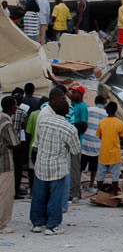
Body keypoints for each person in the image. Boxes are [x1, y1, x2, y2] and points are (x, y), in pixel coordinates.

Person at [30, 87, 80, 235]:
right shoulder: (69, 128)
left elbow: (37, 140)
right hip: (58, 166)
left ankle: (37, 223)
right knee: (55, 197)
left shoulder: (44, 121)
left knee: (38, 195)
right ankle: (52, 225)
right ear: (66, 112)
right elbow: (76, 150)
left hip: (42, 163)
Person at [95, 102, 123, 195]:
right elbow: (122, 136)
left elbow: (99, 136)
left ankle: (100, 192)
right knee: (115, 175)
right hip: (115, 153)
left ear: (106, 110)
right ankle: (115, 193)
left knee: (100, 175)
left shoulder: (101, 122)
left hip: (103, 153)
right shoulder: (120, 123)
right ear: (116, 110)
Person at [0, 96, 20, 234]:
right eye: (15, 105)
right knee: (5, 195)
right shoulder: (6, 123)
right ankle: (3, 224)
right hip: (5, 162)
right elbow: (15, 143)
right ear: (10, 107)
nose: (16, 107)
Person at [81, 95, 107, 193]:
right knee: (94, 167)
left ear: (95, 101)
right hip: (97, 144)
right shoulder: (106, 113)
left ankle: (78, 184)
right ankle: (91, 185)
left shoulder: (89, 109)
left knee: (81, 166)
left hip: (85, 141)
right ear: (103, 102)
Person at [69, 85, 88, 201]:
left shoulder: (82, 106)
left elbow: (84, 124)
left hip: (77, 140)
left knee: (75, 167)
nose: (73, 94)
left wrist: (78, 131)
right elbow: (66, 93)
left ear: (80, 94)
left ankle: (75, 192)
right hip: (71, 139)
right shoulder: (74, 103)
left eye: (75, 92)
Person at [10, 90, 28, 198]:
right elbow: (24, 128)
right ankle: (16, 191)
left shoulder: (4, 112)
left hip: (8, 143)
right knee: (18, 169)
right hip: (18, 143)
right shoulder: (23, 113)